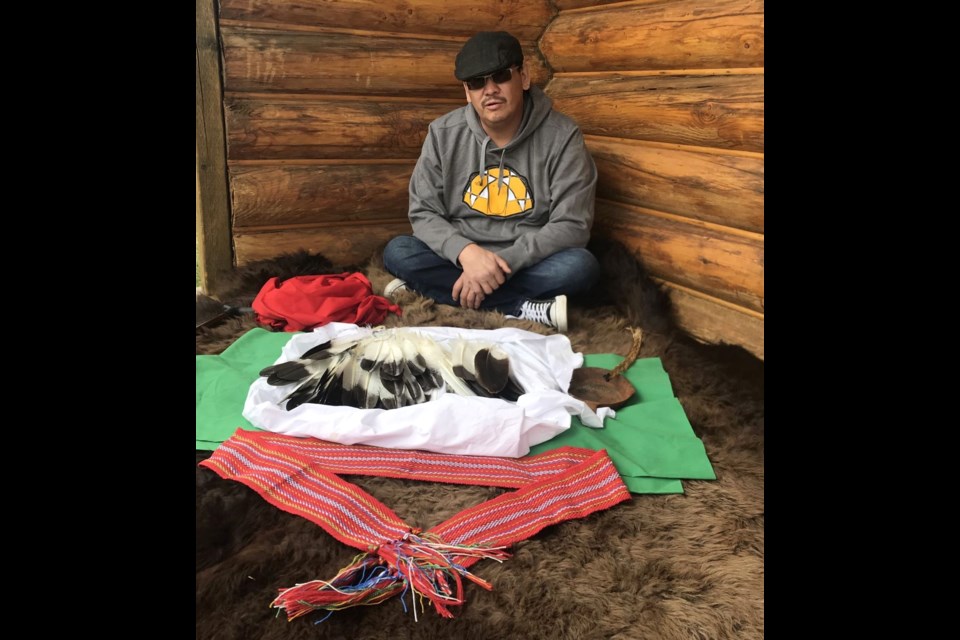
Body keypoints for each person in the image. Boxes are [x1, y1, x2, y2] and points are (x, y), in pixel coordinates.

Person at [382, 31, 600, 333]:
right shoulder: (443, 133)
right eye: (476, 82)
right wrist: (467, 254)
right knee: (399, 251)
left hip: (524, 260)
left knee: (579, 267)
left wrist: (498, 265)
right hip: (459, 258)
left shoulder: (563, 137)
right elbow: (423, 211)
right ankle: (520, 307)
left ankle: (439, 293)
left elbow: (572, 225)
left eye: (500, 76)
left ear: (523, 78)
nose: (490, 90)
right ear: (467, 92)